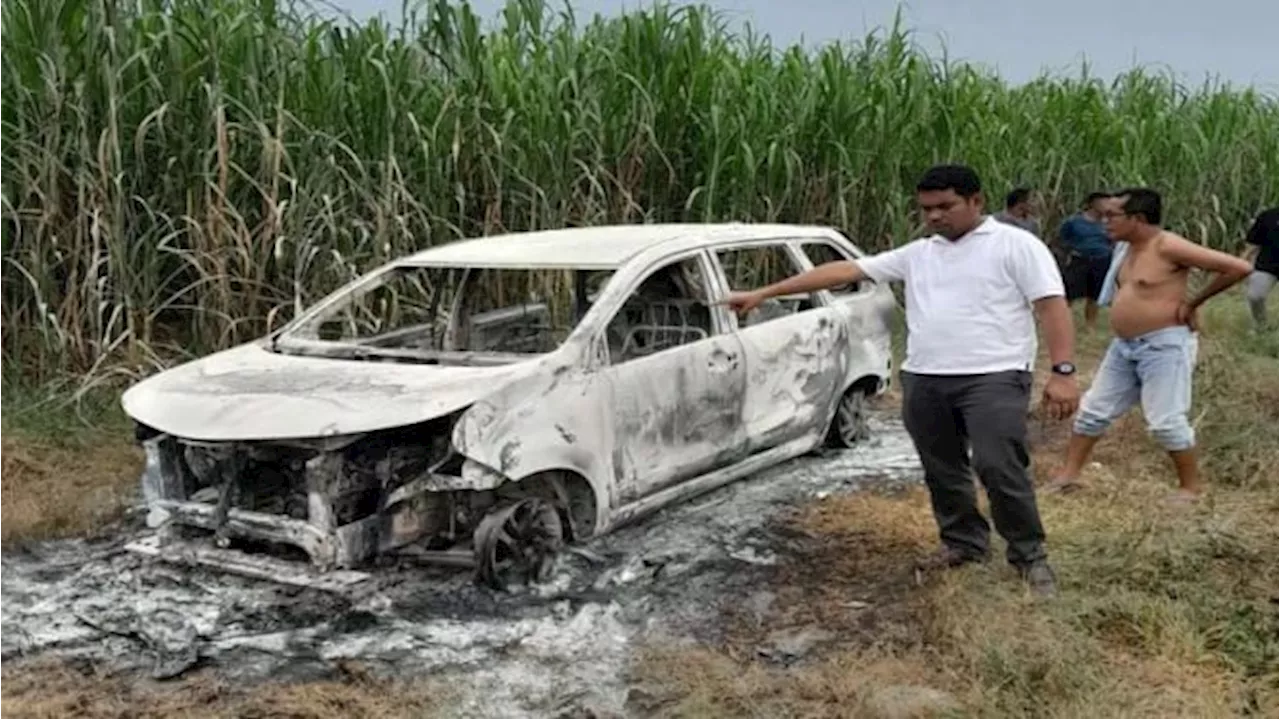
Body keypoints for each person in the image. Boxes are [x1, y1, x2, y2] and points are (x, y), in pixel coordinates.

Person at [722, 164, 1080, 598]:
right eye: (927, 209)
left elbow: (1051, 306)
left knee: (997, 464)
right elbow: (845, 271)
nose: (934, 217)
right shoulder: (919, 253)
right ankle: (964, 544)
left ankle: (1029, 557)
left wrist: (1063, 371)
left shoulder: (1016, 246)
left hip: (994, 375)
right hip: (926, 378)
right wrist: (764, 293)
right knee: (942, 468)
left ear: (976, 202)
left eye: (945, 206)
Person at [1045, 189, 1253, 503]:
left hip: (1164, 345)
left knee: (1166, 421)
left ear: (1138, 219)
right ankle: (1069, 475)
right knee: (1092, 411)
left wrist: (1194, 302)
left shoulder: (1168, 245)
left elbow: (1238, 267)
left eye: (1112, 215)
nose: (1105, 222)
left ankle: (1190, 488)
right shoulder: (1126, 248)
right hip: (1125, 345)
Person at [1057, 192, 1115, 329]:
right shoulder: (1074, 222)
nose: (1107, 206)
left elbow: (1114, 240)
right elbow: (1062, 239)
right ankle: (1063, 322)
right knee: (1069, 293)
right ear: (1092, 204)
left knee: (1094, 295)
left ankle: (1090, 325)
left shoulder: (1109, 223)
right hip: (1080, 260)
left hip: (1101, 260)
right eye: (1103, 202)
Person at [1241, 207, 1280, 330]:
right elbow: (1253, 243)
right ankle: (1261, 326)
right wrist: (1240, 261)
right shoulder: (1268, 215)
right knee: (1255, 296)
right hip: (1267, 265)